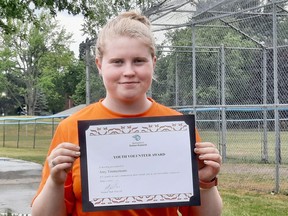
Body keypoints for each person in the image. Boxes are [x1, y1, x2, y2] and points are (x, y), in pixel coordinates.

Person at [31, 10, 222, 216]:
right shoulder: (71, 127)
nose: (129, 71)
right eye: (117, 62)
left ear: (153, 62)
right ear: (99, 65)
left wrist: (206, 182)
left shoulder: (178, 128)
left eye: (139, 61)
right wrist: (55, 181)